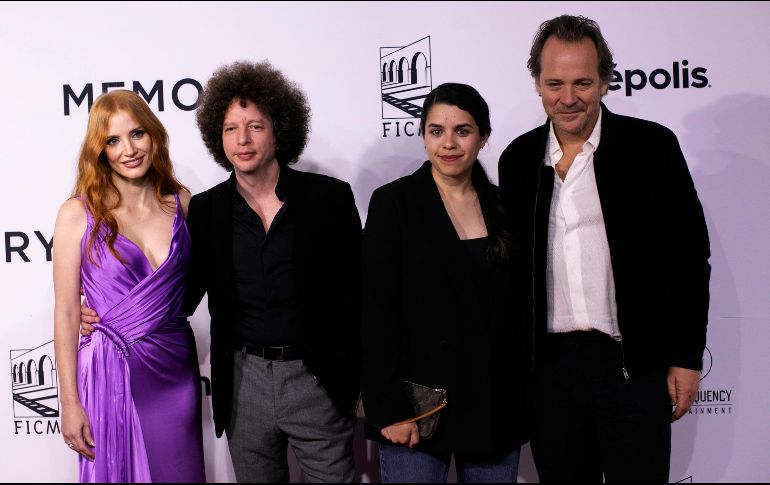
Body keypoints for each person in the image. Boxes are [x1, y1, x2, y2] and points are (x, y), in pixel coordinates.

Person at [498, 15, 711, 482]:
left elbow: (689, 259)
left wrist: (686, 358)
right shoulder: (517, 159)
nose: (568, 98)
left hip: (631, 364)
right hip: (549, 372)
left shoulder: (651, 147)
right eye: (554, 83)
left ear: (606, 81)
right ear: (536, 82)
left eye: (582, 83)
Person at [361, 83, 531, 483]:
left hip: (494, 405)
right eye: (436, 131)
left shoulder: (505, 206)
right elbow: (375, 312)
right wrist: (389, 410)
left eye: (463, 131)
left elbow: (519, 309)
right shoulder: (394, 204)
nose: (448, 143)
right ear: (423, 137)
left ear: (483, 137)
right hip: (417, 408)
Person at [53, 90, 205, 482]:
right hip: (108, 372)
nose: (129, 150)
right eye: (113, 140)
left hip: (175, 372)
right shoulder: (78, 214)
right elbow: (68, 312)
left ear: (153, 135)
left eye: (137, 134)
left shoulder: (183, 203)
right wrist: (70, 402)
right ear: (99, 150)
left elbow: (201, 284)